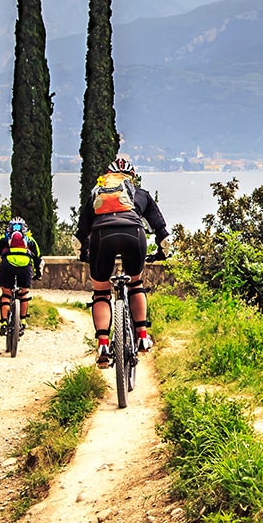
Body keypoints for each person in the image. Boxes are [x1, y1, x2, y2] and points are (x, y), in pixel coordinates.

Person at [76, 157, 170, 368]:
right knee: (135, 283)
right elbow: (161, 231)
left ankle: (102, 344)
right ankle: (143, 336)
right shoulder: (141, 195)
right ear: (132, 178)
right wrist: (162, 254)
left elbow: (80, 234)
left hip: (101, 237)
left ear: (107, 178)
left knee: (101, 292)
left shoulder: (95, 195)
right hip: (133, 235)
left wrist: (83, 254)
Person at [0, 216, 43, 335]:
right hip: (25, 267)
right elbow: (39, 260)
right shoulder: (30, 240)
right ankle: (22, 321)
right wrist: (38, 274)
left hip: (7, 265)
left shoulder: (3, 238)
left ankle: (3, 323)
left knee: (6, 294)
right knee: (23, 294)